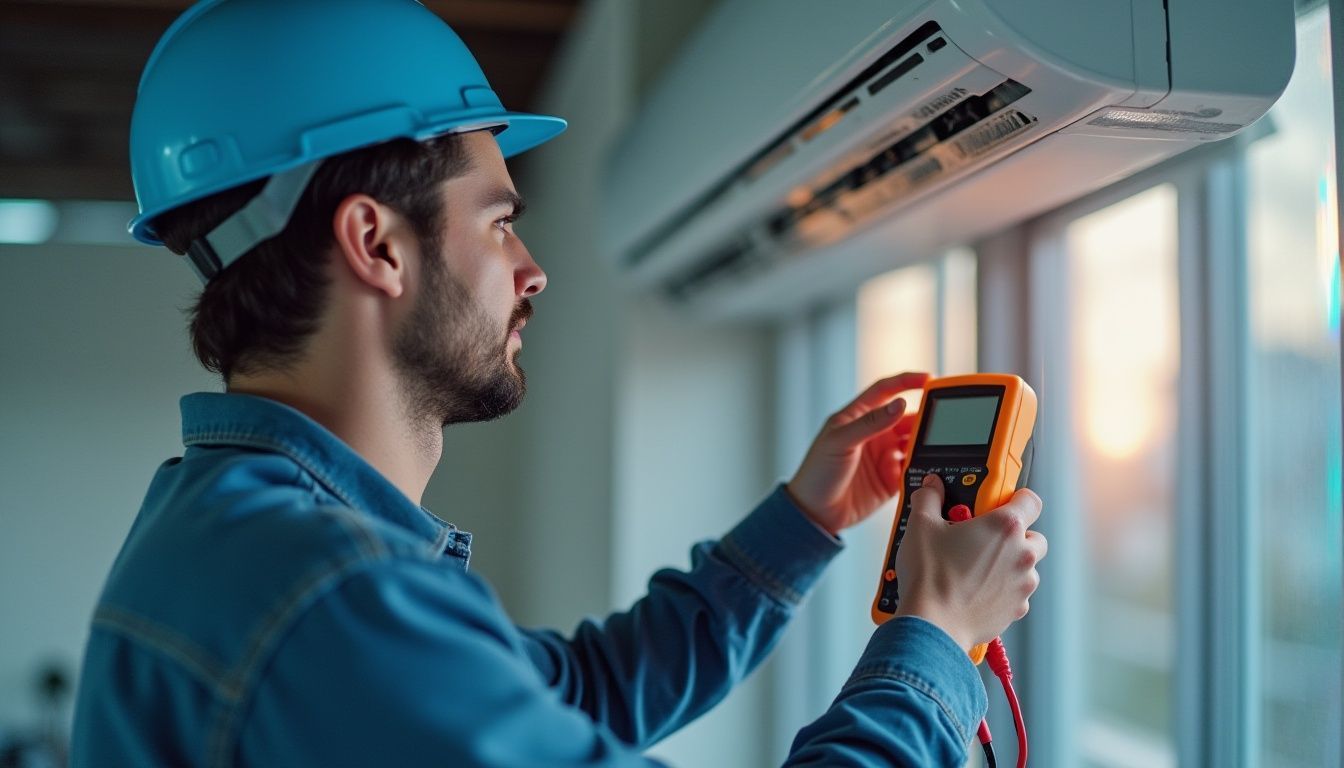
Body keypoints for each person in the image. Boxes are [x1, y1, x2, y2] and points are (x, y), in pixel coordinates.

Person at [71, 1, 1047, 765]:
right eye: (499, 224)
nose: (532, 271)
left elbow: (572, 697)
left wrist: (806, 522)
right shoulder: (330, 598)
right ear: (376, 244)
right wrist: (935, 634)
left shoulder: (232, 531)